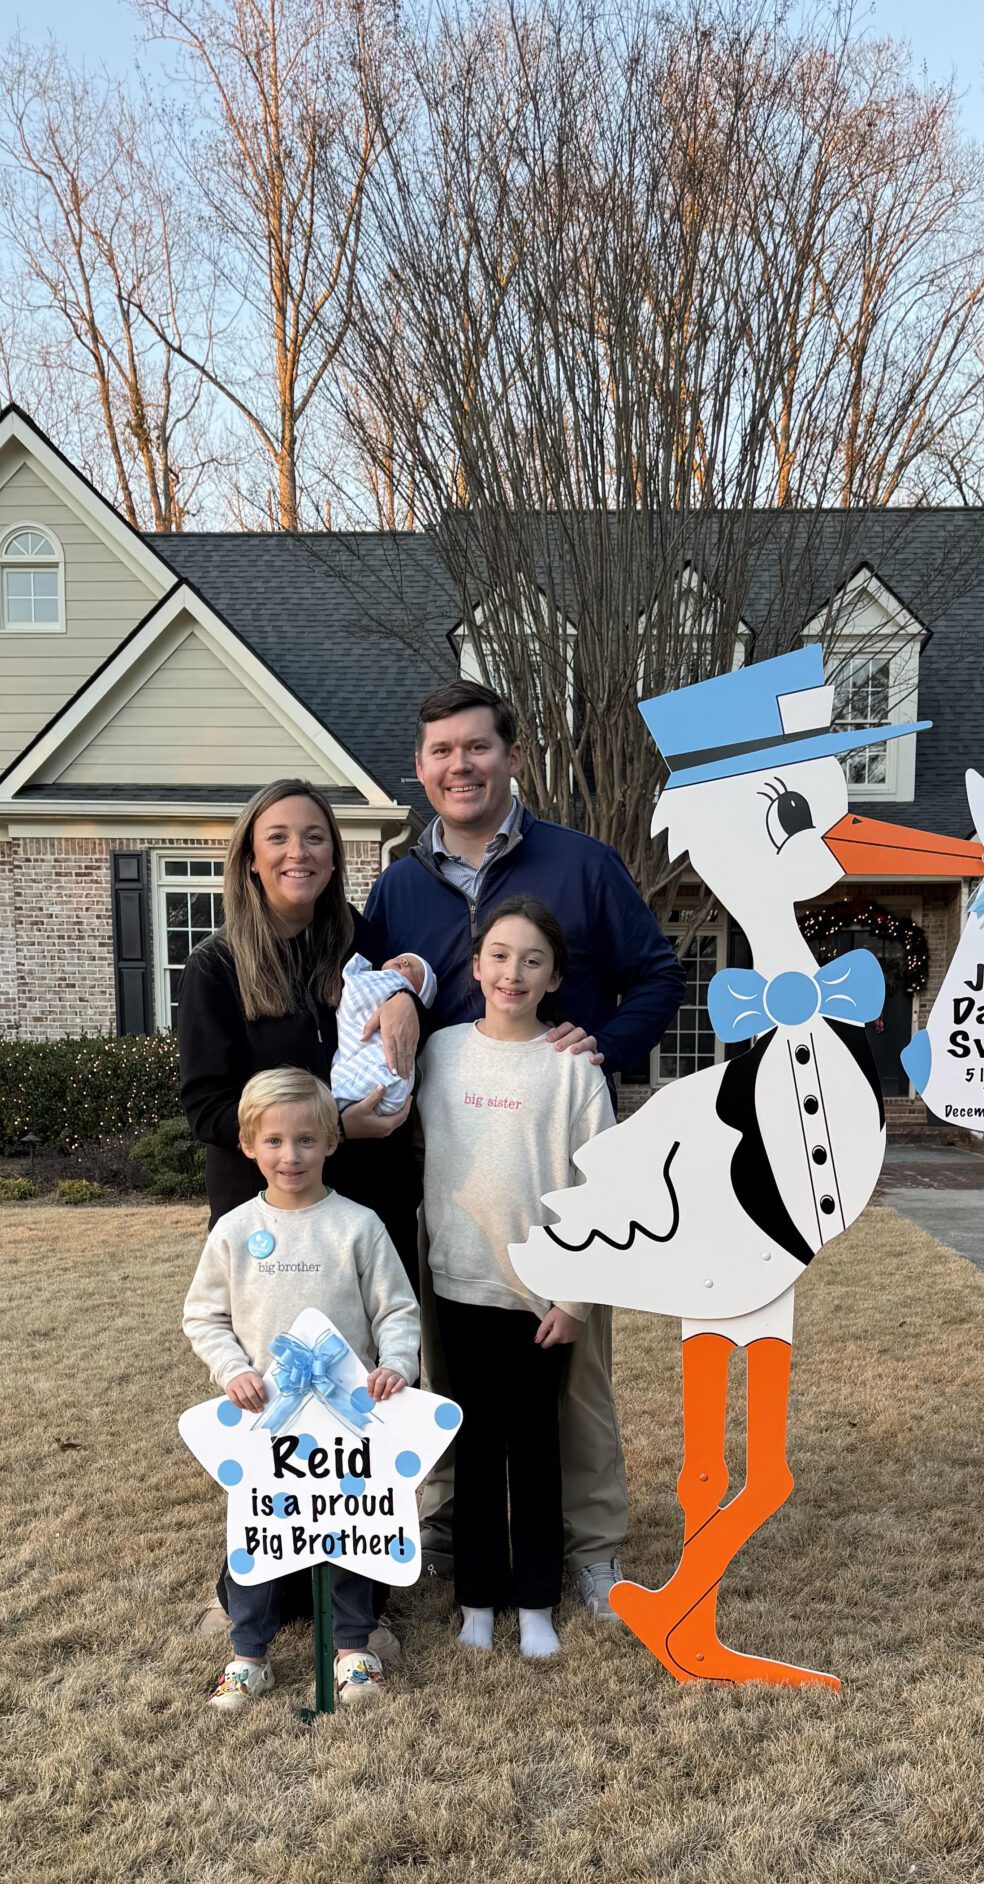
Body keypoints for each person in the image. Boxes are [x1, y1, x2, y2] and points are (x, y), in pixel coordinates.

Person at [364, 681, 685, 1613]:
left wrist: (607, 1046)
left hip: (560, 1176)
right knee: (451, 1361)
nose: (458, 766)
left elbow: (656, 975)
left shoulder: (580, 865)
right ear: (420, 769)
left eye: (476, 748)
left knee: (572, 1368)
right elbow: (367, 989)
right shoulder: (398, 883)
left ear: (512, 756)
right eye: (440, 753)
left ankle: (590, 1546)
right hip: (452, 1179)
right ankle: (460, 1529)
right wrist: (388, 992)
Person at [183, 1068, 420, 1705]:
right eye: (276, 1141)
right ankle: (248, 1654)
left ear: (332, 1143)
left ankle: (353, 1648)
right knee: (261, 1528)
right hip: (266, 1419)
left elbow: (396, 1309)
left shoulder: (359, 1225)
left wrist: (395, 1362)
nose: (292, 1155)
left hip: (346, 1420)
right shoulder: (233, 1232)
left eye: (307, 1140)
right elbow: (204, 1316)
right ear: (248, 1146)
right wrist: (234, 1372)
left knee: (346, 1524)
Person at [417, 897, 613, 1660]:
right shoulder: (439, 1054)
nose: (513, 972)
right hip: (458, 1286)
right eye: (499, 955)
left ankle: (535, 1600)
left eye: (532, 960)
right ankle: (476, 1596)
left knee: (535, 1448)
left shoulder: (573, 1071)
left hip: (543, 1299)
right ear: (474, 966)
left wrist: (576, 1298)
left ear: (554, 977)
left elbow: (601, 1191)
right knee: (473, 1446)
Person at [178, 778, 431, 1277]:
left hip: (375, 1211)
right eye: (278, 837)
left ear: (334, 857)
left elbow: (403, 999)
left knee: (385, 1353)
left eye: (315, 837)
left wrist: (408, 1000)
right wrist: (331, 1128)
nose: (299, 851)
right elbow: (208, 1111)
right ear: (250, 857)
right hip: (273, 1225)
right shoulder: (214, 968)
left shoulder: (358, 938)